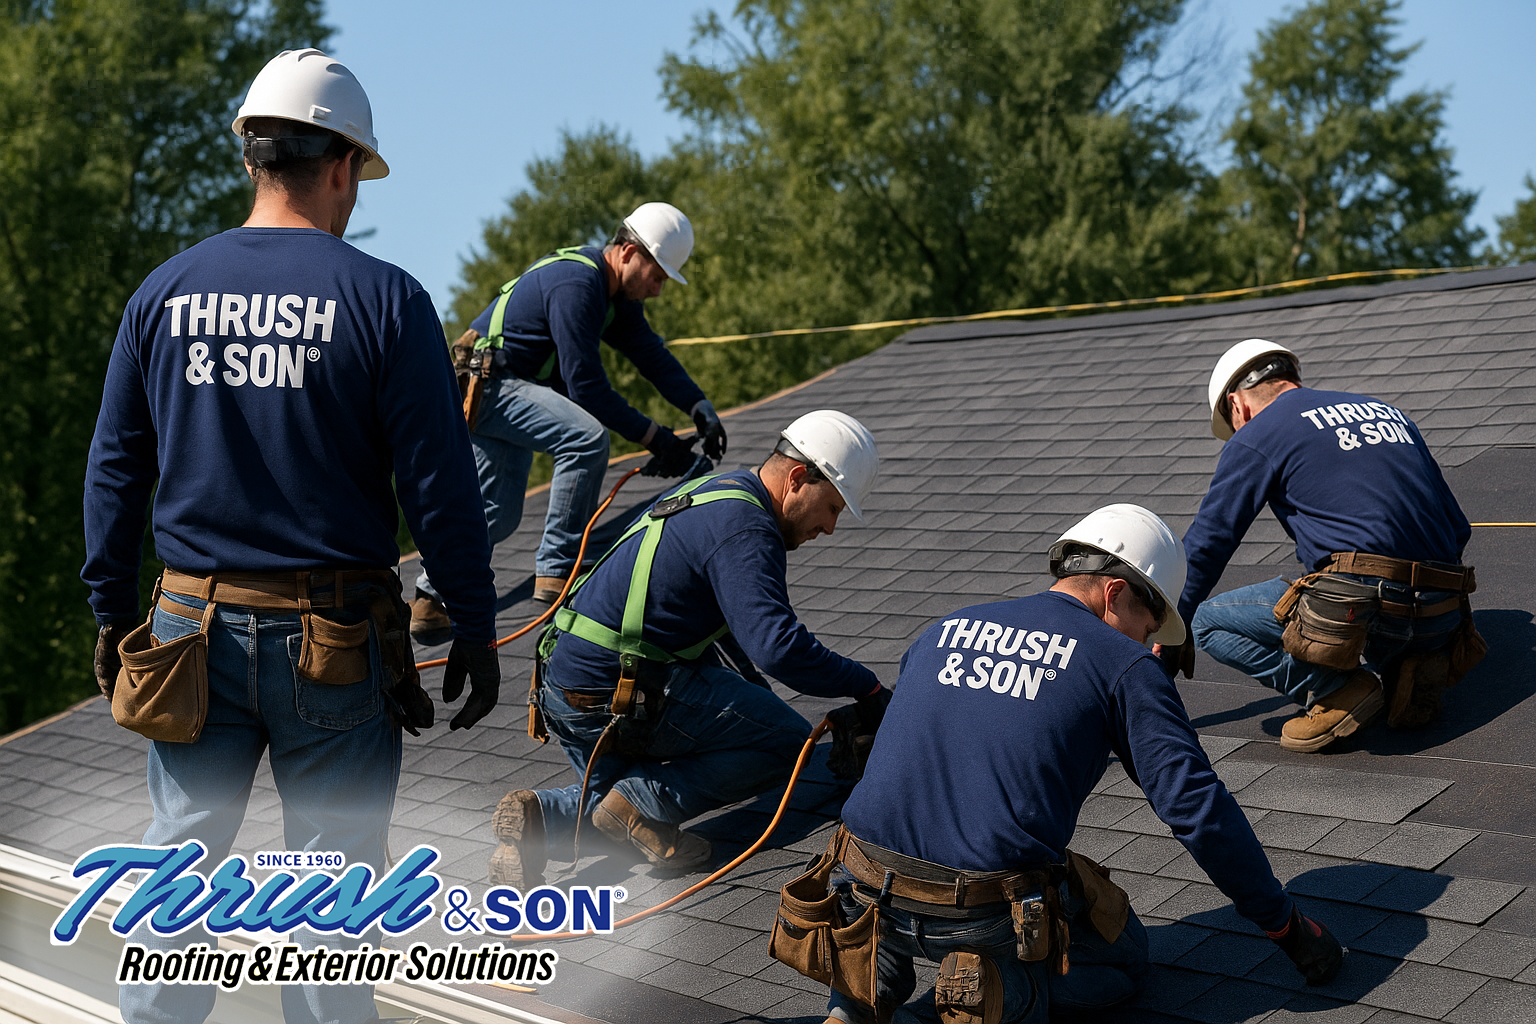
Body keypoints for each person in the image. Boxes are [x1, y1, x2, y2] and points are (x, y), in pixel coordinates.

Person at [81, 49, 500, 1024]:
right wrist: (473, 625)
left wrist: (109, 609)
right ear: (343, 165)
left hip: (186, 631)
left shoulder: (164, 292)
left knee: (174, 882)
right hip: (333, 643)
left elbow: (114, 470)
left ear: (252, 158)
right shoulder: (386, 300)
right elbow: (440, 489)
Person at [806, 505, 1342, 1024]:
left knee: (900, 882)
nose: (1148, 645)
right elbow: (1197, 809)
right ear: (1115, 593)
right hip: (976, 910)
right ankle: (981, 993)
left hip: (858, 880)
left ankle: (860, 997)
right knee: (1124, 957)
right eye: (1148, 627)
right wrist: (1285, 926)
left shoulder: (947, 626)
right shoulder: (1121, 662)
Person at [487, 410, 890, 887]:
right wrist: (867, 688)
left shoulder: (717, 492)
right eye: (833, 508)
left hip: (566, 689)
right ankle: (641, 805)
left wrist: (757, 699)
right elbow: (777, 647)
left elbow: (725, 630)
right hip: (619, 690)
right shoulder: (747, 528)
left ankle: (533, 821)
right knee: (786, 743)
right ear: (798, 478)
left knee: (614, 808)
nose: (830, 528)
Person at [410, 202, 728, 643]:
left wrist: (699, 406)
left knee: (495, 512)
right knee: (585, 439)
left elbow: (651, 356)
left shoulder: (613, 298)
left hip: (500, 387)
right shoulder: (578, 283)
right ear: (628, 252)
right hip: (491, 386)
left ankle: (428, 598)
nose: (657, 290)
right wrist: (656, 438)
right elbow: (586, 386)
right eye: (657, 276)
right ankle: (558, 570)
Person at [1165, 339, 1479, 752]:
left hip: (1363, 608)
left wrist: (1171, 624)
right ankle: (1411, 662)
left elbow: (1209, 543)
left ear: (1236, 404)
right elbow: (1458, 528)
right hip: (1444, 612)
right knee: (1363, 598)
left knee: (1208, 622)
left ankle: (1337, 690)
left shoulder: (1260, 431)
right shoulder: (1387, 412)